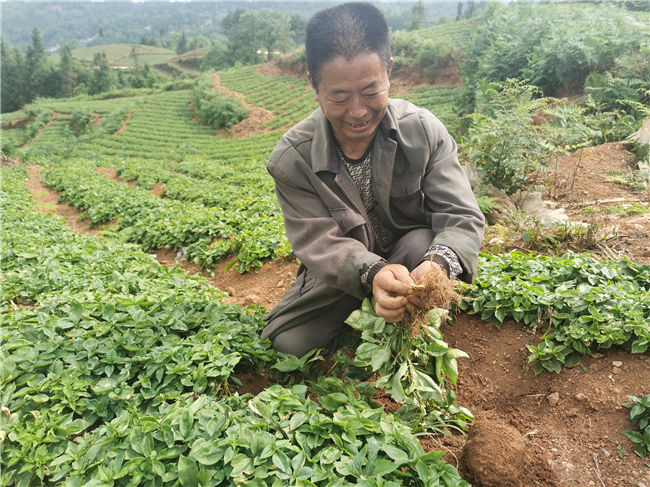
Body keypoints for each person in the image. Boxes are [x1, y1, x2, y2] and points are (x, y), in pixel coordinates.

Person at [261, 2, 485, 357]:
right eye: (339, 96)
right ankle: (369, 302)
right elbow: (319, 242)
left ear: (389, 72)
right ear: (313, 85)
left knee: (419, 243)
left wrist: (437, 266)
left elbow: (461, 215)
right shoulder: (292, 159)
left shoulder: (424, 130)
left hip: (409, 256)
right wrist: (372, 273)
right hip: (342, 271)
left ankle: (405, 306)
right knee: (289, 346)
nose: (358, 111)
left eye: (370, 91)